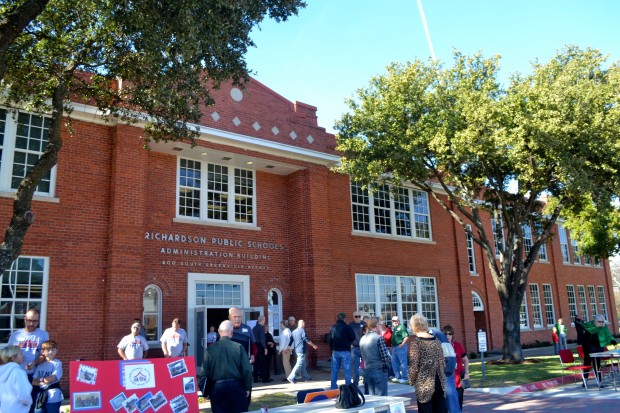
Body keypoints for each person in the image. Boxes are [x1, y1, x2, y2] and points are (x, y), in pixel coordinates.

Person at [197, 320, 252, 413]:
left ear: (219, 331)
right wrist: (247, 387)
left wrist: (205, 391)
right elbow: (247, 370)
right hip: (236, 387)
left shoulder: (210, 349)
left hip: (217, 388)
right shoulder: (239, 347)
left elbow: (203, 373)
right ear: (231, 332)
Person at [408, 314, 447, 413]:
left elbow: (414, 366)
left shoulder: (416, 343)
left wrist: (411, 381)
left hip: (425, 383)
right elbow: (443, 362)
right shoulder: (436, 341)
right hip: (439, 382)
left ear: (414, 326)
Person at [8, 309, 49, 380]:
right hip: (17, 372)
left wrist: (34, 363)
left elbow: (45, 355)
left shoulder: (43, 335)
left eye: (35, 321)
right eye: (29, 320)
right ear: (25, 319)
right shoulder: (15, 335)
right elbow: (8, 354)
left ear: (38, 321)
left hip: (35, 373)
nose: (31, 323)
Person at [577, 314, 617, 386]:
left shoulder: (603, 326)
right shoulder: (589, 326)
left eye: (602, 322)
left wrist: (612, 340)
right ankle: (585, 380)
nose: (601, 323)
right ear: (595, 321)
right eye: (599, 322)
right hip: (588, 346)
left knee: (597, 364)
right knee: (587, 362)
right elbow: (580, 326)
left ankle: (599, 381)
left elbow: (608, 334)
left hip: (598, 346)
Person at [228, 307, 256, 409]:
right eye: (235, 317)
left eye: (239, 317)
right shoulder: (226, 328)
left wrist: (253, 354)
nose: (237, 319)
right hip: (230, 367)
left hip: (244, 366)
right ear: (229, 317)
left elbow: (253, 344)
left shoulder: (247, 329)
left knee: (246, 392)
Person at [359, 317, 391, 396]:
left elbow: (362, 355)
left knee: (370, 397)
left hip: (367, 369)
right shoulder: (378, 338)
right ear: (377, 326)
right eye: (380, 324)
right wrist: (388, 361)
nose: (381, 326)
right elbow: (385, 357)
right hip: (378, 369)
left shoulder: (362, 338)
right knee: (381, 399)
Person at [31, 340, 63, 413]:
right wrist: (44, 380)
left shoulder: (57, 363)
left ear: (56, 351)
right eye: (48, 350)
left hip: (53, 395)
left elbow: (52, 378)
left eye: (53, 350)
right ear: (43, 352)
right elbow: (33, 382)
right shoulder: (40, 364)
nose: (51, 352)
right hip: (40, 395)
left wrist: (40, 380)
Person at [0, 345, 33, 413]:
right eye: (20, 354)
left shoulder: (2, 371)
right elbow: (24, 394)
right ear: (13, 357)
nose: (23, 356)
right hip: (18, 409)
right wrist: (29, 403)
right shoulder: (18, 372)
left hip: (4, 408)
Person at [443, 325, 469, 411]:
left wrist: (466, 372)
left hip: (458, 379)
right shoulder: (440, 347)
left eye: (450, 334)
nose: (447, 336)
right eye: (445, 334)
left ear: (452, 335)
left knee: (458, 402)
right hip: (447, 380)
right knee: (447, 405)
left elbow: (465, 360)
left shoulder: (457, 345)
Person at [328, 312, 355, 389]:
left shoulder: (333, 327)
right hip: (345, 350)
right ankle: (348, 387)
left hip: (335, 351)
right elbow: (353, 337)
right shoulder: (347, 327)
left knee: (334, 370)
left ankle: (333, 387)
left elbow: (330, 339)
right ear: (344, 319)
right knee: (347, 370)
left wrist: (332, 348)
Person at [287, 319, 318, 384]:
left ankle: (306, 377)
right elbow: (306, 339)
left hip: (297, 350)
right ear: (302, 324)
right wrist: (313, 345)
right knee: (299, 363)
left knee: (303, 364)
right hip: (302, 350)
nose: (304, 324)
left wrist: (288, 347)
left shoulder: (294, 331)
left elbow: (291, 341)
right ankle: (291, 377)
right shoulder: (302, 331)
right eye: (304, 323)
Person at [349, 310, 366, 385]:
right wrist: (350, 344)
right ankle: (356, 382)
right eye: (356, 316)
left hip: (364, 347)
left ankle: (366, 380)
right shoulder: (350, 325)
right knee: (355, 366)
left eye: (359, 316)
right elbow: (347, 336)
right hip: (354, 347)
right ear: (353, 317)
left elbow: (368, 334)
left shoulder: (364, 324)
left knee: (365, 365)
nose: (358, 318)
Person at [252, 316, 271, 383]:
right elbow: (262, 339)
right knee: (263, 363)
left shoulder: (254, 328)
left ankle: (255, 379)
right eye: (264, 320)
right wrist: (265, 348)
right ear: (262, 320)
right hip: (260, 346)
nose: (264, 321)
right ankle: (264, 379)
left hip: (254, 346)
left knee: (256, 363)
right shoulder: (261, 328)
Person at [391, 315, 409, 384]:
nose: (394, 322)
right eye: (393, 321)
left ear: (398, 321)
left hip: (401, 346)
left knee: (403, 363)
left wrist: (402, 344)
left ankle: (405, 378)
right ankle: (398, 376)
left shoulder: (402, 327)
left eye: (396, 320)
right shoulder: (395, 328)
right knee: (394, 362)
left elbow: (406, 336)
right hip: (395, 347)